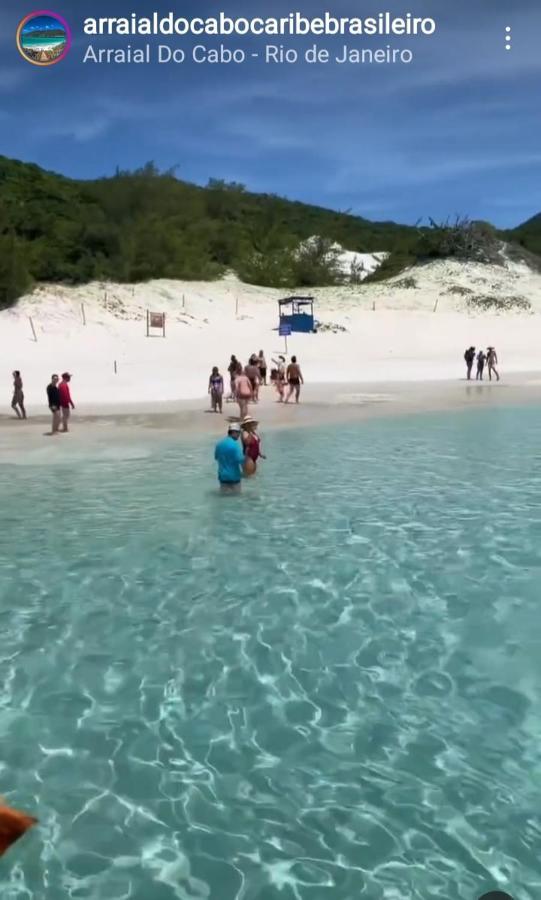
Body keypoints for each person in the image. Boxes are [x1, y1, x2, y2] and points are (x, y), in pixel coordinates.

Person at [214, 423, 245, 492]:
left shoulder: (219, 444)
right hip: (234, 479)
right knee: (236, 500)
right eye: (238, 433)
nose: (239, 435)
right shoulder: (235, 445)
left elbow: (216, 458)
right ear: (234, 432)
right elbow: (242, 461)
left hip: (223, 478)